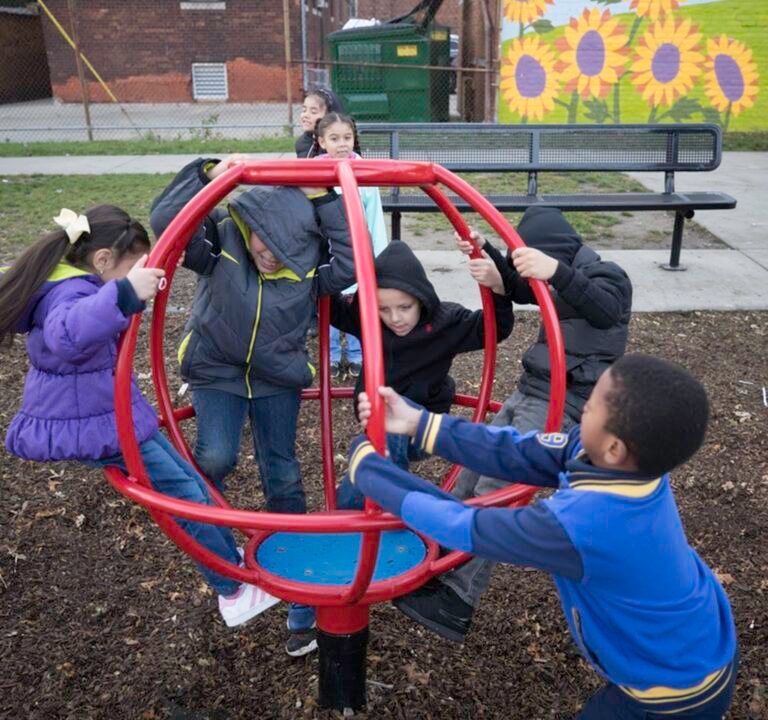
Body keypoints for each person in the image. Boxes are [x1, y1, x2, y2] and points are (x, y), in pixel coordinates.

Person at [350, 354, 737, 719]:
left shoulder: (587, 527)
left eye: (590, 406)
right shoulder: (621, 460)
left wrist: (373, 474)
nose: (582, 406)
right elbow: (516, 452)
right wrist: (420, 423)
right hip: (691, 635)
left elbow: (467, 527)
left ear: (615, 447)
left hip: (673, 690)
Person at [1, 205, 279, 630]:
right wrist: (125, 293)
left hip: (109, 416)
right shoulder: (68, 295)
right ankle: (233, 589)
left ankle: (230, 563)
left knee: (189, 483)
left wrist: (130, 288)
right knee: (185, 497)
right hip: (98, 427)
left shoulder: (76, 283)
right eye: (134, 266)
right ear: (103, 261)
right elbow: (68, 335)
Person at [150, 156, 355, 656]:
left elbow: (352, 260)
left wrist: (324, 197)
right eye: (263, 241)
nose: (270, 254)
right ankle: (219, 549)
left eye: (282, 248)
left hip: (276, 376)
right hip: (216, 369)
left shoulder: (309, 262)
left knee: (282, 474)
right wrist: (205, 175)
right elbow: (165, 225)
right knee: (215, 457)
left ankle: (299, 593)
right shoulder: (222, 240)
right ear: (248, 225)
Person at [395, 206, 633, 635]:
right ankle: (440, 564)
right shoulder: (562, 279)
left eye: (541, 260)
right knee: (471, 471)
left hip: (567, 401)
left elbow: (601, 308)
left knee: (497, 490)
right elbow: (525, 288)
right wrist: (493, 263)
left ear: (560, 253)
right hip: (532, 389)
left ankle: (458, 596)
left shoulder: (608, 277)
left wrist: (556, 270)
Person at [332, 238, 514, 510]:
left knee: (379, 437)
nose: (395, 318)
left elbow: (495, 329)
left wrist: (498, 288)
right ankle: (359, 514)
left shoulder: (446, 323)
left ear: (421, 299)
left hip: (425, 427)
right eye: (384, 309)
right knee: (370, 447)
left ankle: (354, 518)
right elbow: (328, 304)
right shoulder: (367, 321)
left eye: (405, 307)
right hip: (379, 422)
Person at [313, 111, 389, 380]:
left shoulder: (364, 172)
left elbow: (374, 216)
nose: (342, 144)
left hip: (359, 253)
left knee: (359, 306)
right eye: (334, 138)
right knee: (330, 306)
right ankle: (332, 355)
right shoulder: (313, 173)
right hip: (329, 255)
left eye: (347, 137)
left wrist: (378, 255)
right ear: (321, 142)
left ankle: (356, 355)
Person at [295, 86, 346, 159]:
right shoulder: (301, 142)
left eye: (313, 112)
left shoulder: (335, 146)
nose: (306, 115)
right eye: (304, 110)